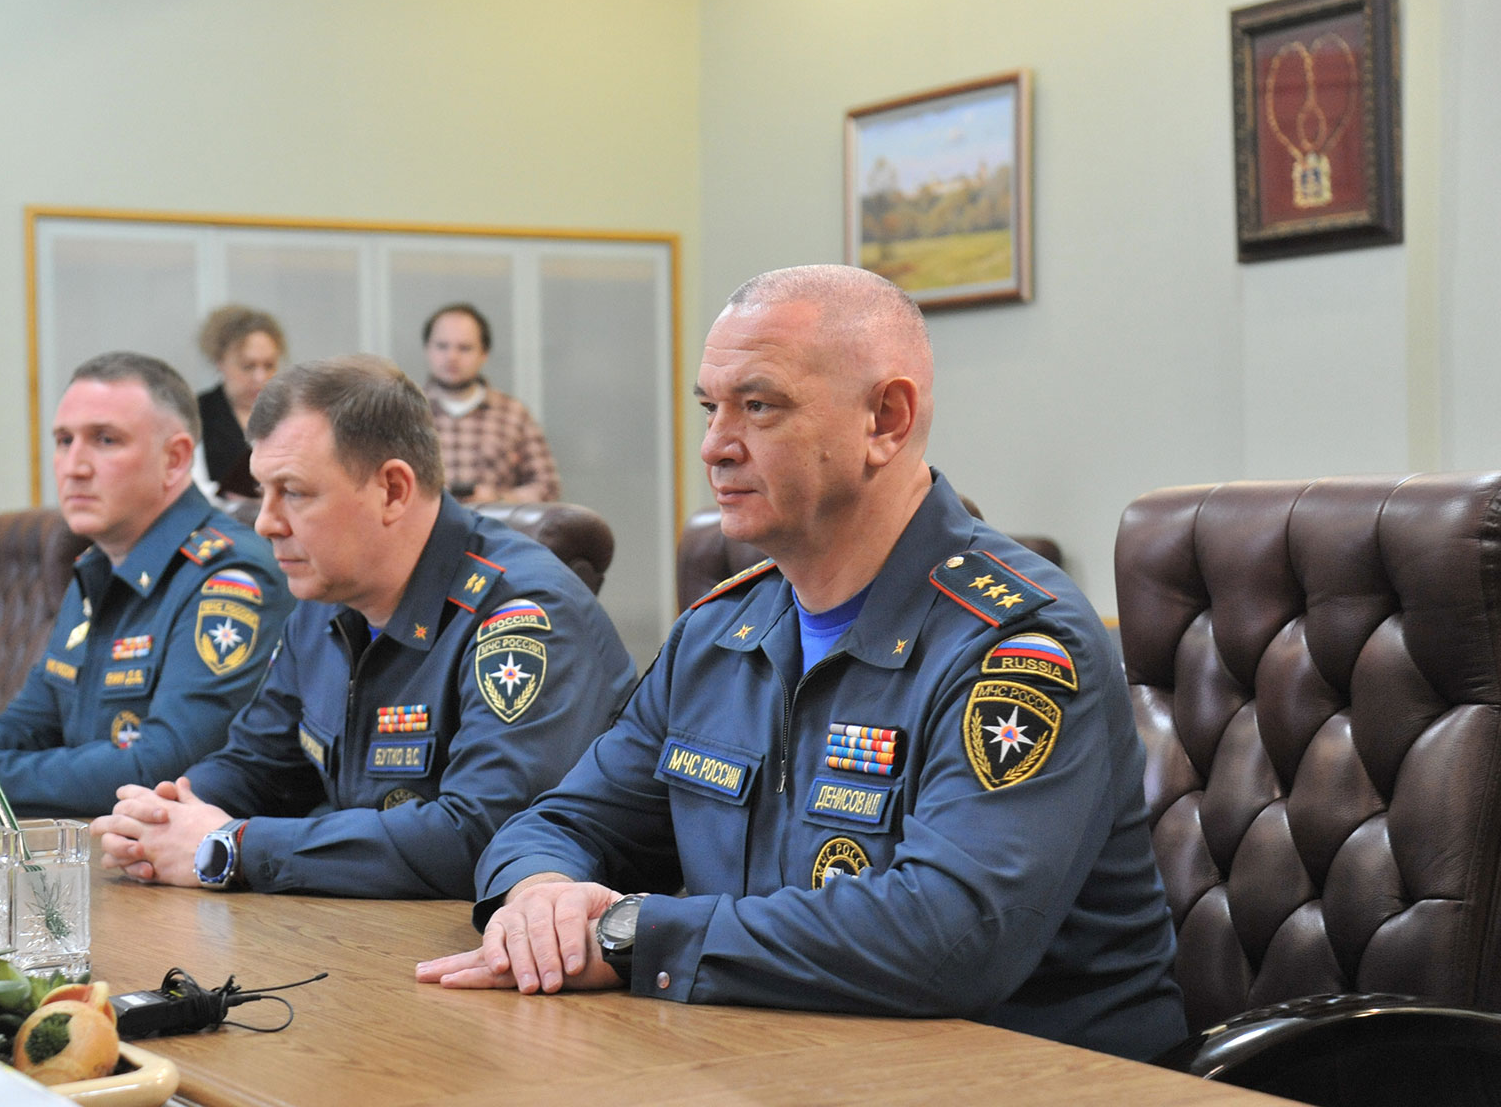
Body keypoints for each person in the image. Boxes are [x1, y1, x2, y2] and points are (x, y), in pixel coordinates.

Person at [417, 266, 1186, 1061]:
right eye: (710, 408)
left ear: (886, 420)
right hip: (778, 1057)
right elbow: (560, 823)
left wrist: (630, 933)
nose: (715, 446)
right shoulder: (717, 634)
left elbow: (950, 936)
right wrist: (539, 899)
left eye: (759, 406)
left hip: (1027, 1076)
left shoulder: (1016, 644)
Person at [89, 355, 636, 898]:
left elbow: (482, 835)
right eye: (261, 492)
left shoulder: (522, 614)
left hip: (498, 937)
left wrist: (233, 846)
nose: (266, 523)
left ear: (393, 490)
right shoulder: (327, 597)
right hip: (360, 926)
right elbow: (258, 764)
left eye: (293, 492)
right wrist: (162, 819)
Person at [0, 352, 293, 817]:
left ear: (174, 460)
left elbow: (165, 768)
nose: (74, 466)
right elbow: (34, 720)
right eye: (64, 441)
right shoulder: (99, 564)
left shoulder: (229, 577)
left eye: (105, 440)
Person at [421, 303, 561, 504]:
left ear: (484, 354)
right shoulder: (407, 412)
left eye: (464, 348)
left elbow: (548, 486)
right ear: (427, 349)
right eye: (442, 346)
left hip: (494, 522)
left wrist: (499, 499)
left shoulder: (513, 413)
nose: (452, 357)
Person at [194, 304, 285, 500]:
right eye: (248, 366)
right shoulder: (197, 414)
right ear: (220, 362)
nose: (260, 377)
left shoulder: (289, 414)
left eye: (269, 366)